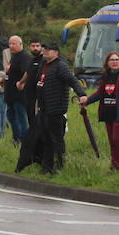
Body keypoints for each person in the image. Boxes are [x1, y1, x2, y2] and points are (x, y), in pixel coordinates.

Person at [26, 41, 87, 174]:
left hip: (56, 109)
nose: (45, 51)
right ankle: (47, 166)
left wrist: (81, 94)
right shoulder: (43, 64)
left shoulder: (61, 66)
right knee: (45, 138)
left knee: (56, 139)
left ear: (56, 53)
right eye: (45, 49)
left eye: (49, 49)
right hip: (43, 108)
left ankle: (58, 165)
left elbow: (72, 80)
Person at [3, 35, 31, 144]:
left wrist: (21, 82)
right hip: (10, 95)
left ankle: (24, 141)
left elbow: (27, 72)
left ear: (21, 44)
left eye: (14, 44)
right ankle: (16, 138)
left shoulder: (24, 57)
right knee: (11, 117)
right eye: (10, 44)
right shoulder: (14, 56)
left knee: (21, 118)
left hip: (19, 95)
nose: (11, 46)